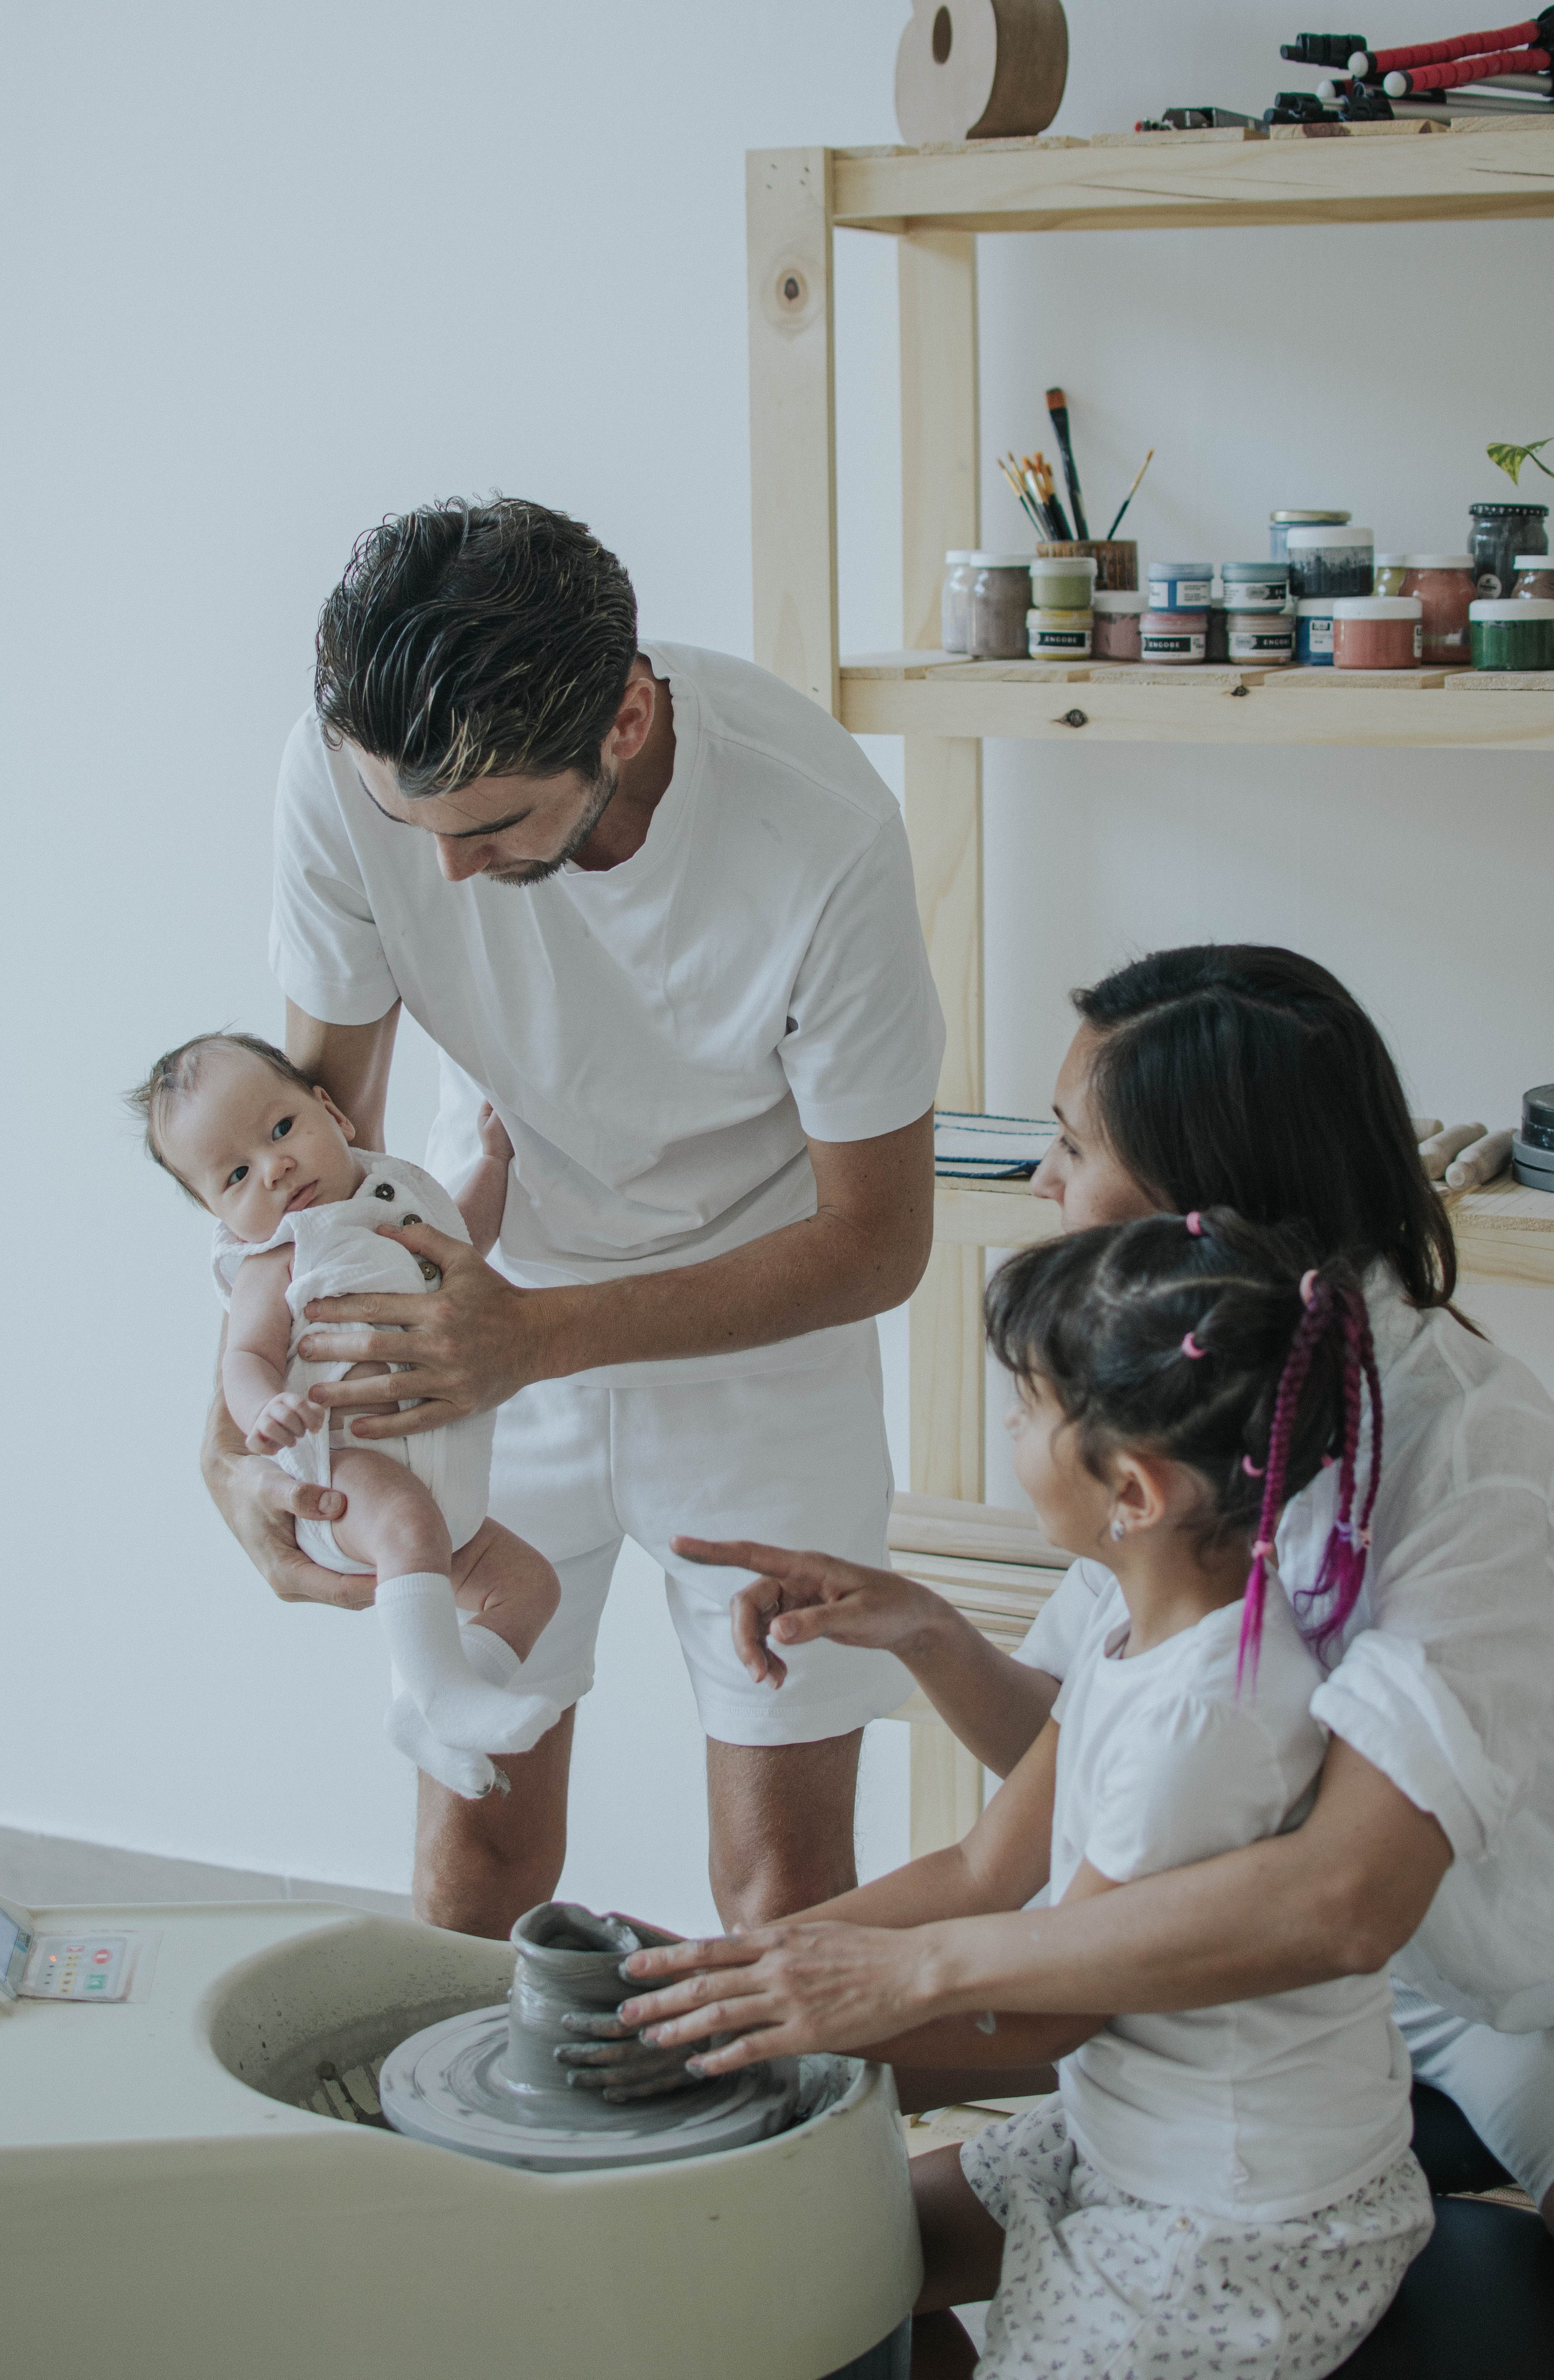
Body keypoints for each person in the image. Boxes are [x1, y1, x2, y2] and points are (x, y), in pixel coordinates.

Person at [617, 945, 1554, 2234]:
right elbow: (1095, 1764)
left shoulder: (1470, 1456)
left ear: (1204, 1188)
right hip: (1255, 1987)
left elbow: (1346, 1899)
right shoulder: (1172, 1414)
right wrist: (929, 1636)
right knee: (813, 2187)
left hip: (1489, 2000)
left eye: (1070, 1143)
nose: (1041, 1180)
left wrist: (896, 1974)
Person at [201, 495, 944, 1936]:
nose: (445, 875)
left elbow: (876, 1238)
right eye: (410, 825)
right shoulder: (349, 771)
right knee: (472, 1850)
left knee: (780, 1883)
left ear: (624, 718)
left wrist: (536, 1335)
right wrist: (233, 1445)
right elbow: (309, 1158)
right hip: (469, 1291)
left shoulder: (820, 831)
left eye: (488, 827)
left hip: (756, 1332)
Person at [625, 1210, 1435, 2379]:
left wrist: (764, 2013)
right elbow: (982, 1870)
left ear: (1134, 1491)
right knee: (818, 2259)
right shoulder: (1138, 1625)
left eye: (1032, 1407)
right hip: (1118, 2136)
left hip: (1241, 2218)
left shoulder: (1206, 1718)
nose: (1009, 1424)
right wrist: (730, 1972)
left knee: (841, 2253)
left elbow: (1059, 2010)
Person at [133, 1030, 560, 1800]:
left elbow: (464, 1242)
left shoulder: (398, 1197)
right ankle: (444, 1695)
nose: (274, 1167)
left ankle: (431, 1710)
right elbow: (245, 1358)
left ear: (331, 1112)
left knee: (529, 1586)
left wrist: (494, 1164)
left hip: (442, 1497)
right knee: (408, 1526)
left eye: (281, 1129)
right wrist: (266, 1412)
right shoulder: (277, 1258)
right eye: (237, 1175)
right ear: (217, 1213)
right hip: (345, 1480)